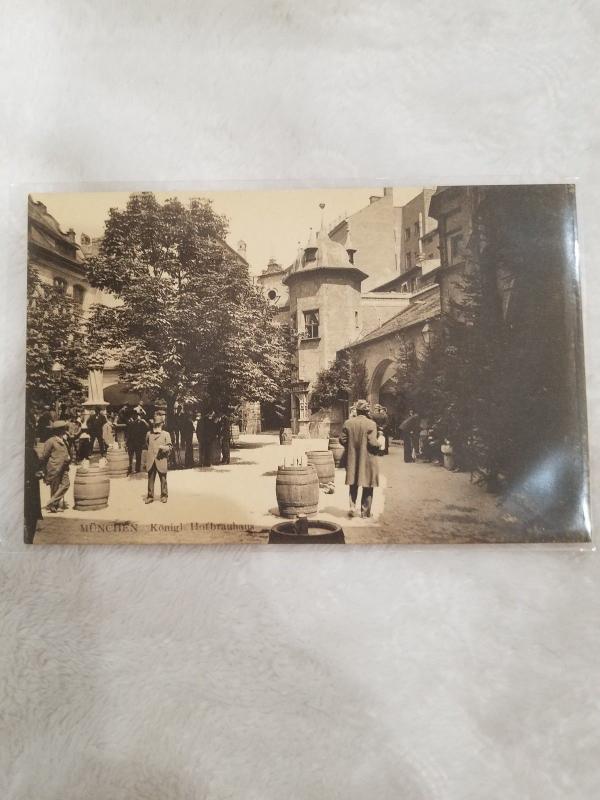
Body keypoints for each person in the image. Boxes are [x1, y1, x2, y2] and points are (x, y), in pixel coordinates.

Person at [339, 399, 379, 518]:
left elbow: (342, 440)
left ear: (356, 410)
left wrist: (351, 447)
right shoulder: (371, 424)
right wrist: (379, 444)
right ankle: (365, 512)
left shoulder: (348, 423)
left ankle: (352, 507)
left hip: (352, 458)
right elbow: (372, 443)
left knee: (353, 483)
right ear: (366, 411)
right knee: (368, 484)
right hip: (367, 459)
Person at [39, 420, 71, 513]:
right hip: (54, 467)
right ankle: (53, 506)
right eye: (64, 429)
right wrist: (41, 467)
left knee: (66, 484)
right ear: (59, 430)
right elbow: (45, 456)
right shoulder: (50, 441)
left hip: (64, 466)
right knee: (55, 487)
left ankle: (51, 502)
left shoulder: (64, 440)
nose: (65, 430)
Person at [145, 415, 173, 503]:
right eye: (155, 425)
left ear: (162, 424)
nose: (156, 426)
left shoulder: (166, 434)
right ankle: (150, 496)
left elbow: (170, 446)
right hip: (151, 460)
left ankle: (164, 495)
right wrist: (151, 452)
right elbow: (146, 444)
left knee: (163, 479)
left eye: (158, 425)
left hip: (161, 459)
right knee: (150, 479)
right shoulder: (149, 434)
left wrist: (164, 448)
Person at [126, 409, 149, 474]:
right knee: (130, 455)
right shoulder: (130, 422)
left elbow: (147, 429)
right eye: (133, 415)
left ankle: (137, 469)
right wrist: (127, 442)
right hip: (131, 442)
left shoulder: (141, 422)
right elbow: (128, 432)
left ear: (137, 415)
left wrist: (143, 440)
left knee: (138, 456)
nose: (134, 416)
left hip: (138, 442)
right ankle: (130, 467)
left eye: (135, 415)